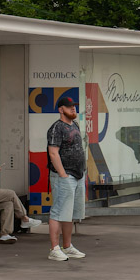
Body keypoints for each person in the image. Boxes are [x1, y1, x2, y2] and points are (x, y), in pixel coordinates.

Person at [46, 97, 87, 261]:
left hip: (77, 175)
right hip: (64, 176)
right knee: (58, 211)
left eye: (74, 106)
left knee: (69, 213)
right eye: (69, 107)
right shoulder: (56, 128)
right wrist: (62, 173)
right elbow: (53, 152)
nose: (73, 109)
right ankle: (54, 249)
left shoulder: (74, 125)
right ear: (61, 109)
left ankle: (67, 246)